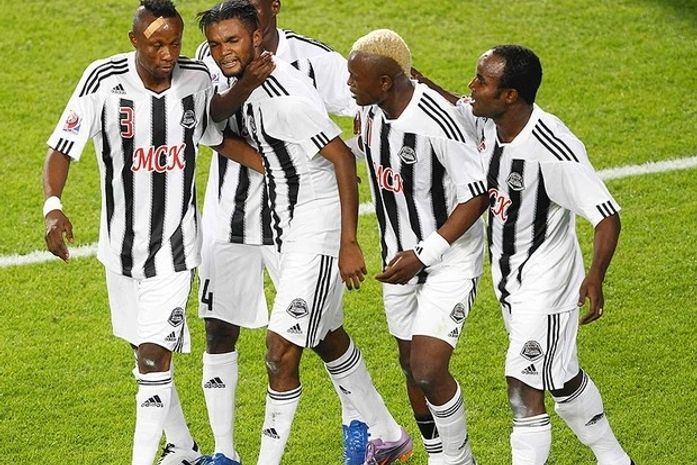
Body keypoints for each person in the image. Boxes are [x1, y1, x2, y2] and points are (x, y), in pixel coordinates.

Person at [195, 2, 413, 465]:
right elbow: (211, 123)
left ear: (258, 36)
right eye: (215, 44)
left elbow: (342, 158)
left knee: (279, 352)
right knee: (326, 332)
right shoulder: (243, 83)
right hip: (287, 223)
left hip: (317, 225)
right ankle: (388, 435)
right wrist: (274, 168)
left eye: (232, 40)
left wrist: (348, 242)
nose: (223, 51)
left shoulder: (284, 94)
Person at [41, 2, 258, 464]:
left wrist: (279, 167)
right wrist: (53, 206)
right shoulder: (103, 80)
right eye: (157, 44)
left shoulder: (196, 77)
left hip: (175, 251)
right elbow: (62, 147)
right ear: (134, 40)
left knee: (154, 359)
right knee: (143, 353)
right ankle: (183, 448)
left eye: (175, 43)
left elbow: (214, 131)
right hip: (120, 250)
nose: (168, 54)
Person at [454, 44, 634, 465]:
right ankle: (615, 459)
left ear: (510, 95)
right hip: (510, 283)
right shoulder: (489, 122)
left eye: (482, 81)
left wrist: (595, 276)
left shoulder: (551, 147)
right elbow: (449, 102)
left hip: (548, 286)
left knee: (522, 388)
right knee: (561, 378)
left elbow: (606, 216)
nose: (472, 87)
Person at [347, 29, 488, 465]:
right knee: (410, 364)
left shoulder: (437, 121)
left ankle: (459, 460)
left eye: (355, 78)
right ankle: (435, 452)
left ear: (385, 82)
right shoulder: (369, 112)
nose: (348, 84)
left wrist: (424, 254)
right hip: (398, 259)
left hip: (448, 260)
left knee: (428, 368)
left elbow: (477, 194)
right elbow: (363, 154)